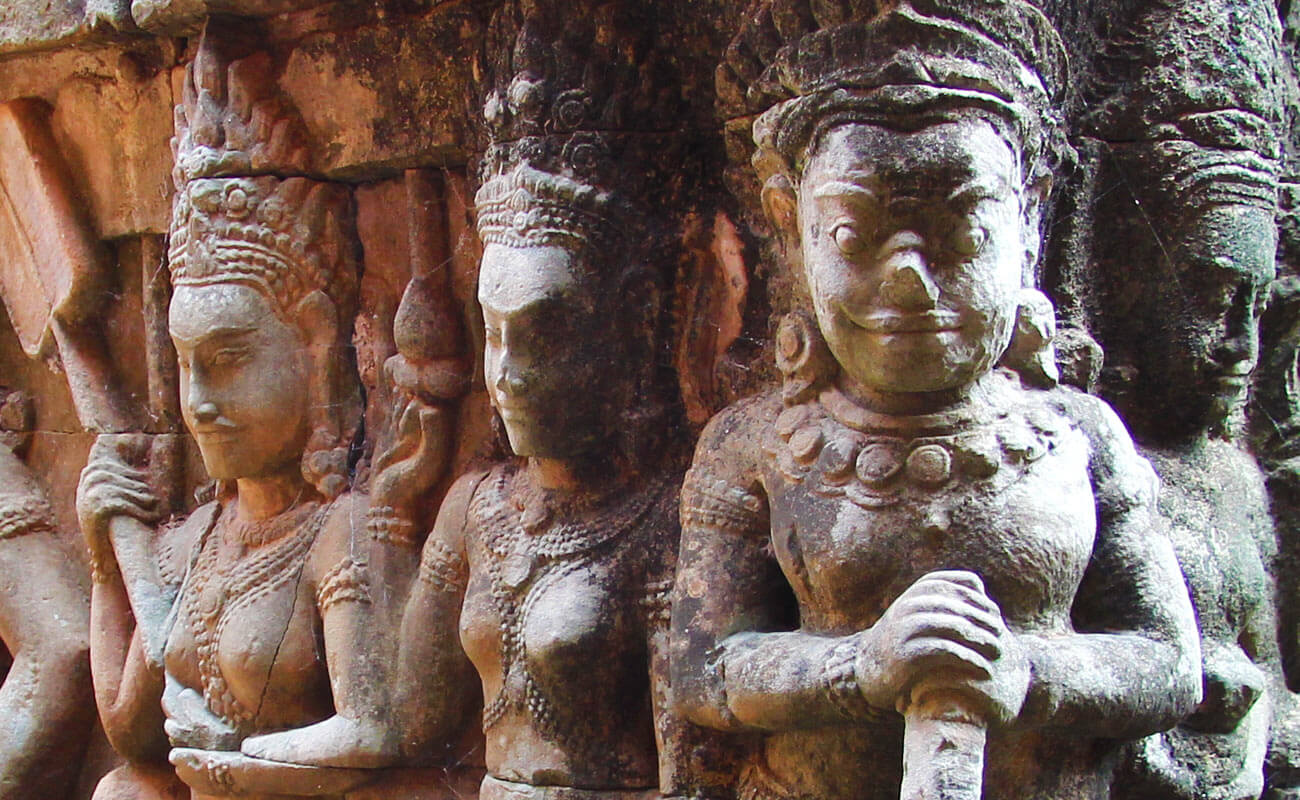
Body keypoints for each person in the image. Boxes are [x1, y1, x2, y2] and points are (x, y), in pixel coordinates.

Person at [672, 1, 1201, 798]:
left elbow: (1169, 663)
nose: (910, 279)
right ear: (789, 225)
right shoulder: (756, 443)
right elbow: (699, 669)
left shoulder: (1076, 436)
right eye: (854, 238)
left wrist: (1029, 672)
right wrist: (860, 665)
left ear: (1030, 218)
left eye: (964, 237)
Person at [77, 34, 394, 800]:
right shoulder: (192, 543)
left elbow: (375, 733)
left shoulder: (339, 533)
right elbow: (129, 730)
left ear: (316, 344)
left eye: (228, 358)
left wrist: (238, 760)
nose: (199, 402)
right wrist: (102, 565)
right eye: (186, 365)